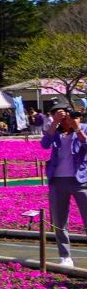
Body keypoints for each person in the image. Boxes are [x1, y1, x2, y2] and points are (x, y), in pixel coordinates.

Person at [41, 108, 87, 269]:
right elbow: (44, 144)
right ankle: (65, 255)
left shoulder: (84, 128)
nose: (67, 120)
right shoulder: (56, 132)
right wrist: (54, 122)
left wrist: (77, 128)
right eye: (64, 118)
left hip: (80, 181)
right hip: (57, 181)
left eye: (70, 117)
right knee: (60, 220)